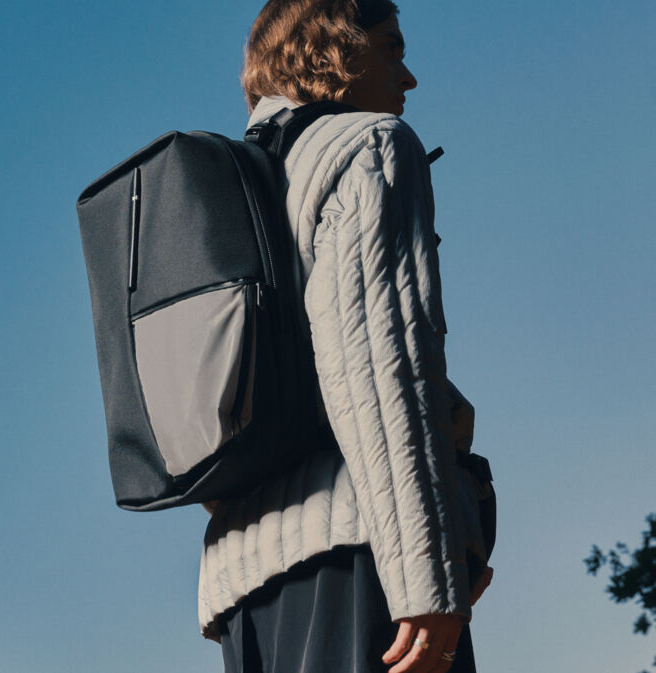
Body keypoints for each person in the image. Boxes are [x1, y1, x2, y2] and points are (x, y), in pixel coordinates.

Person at [199, 1, 495, 672]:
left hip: (244, 590)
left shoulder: (235, 187)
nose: (410, 77)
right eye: (392, 48)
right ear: (333, 51)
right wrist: (426, 572)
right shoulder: (370, 145)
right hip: (359, 563)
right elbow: (378, 365)